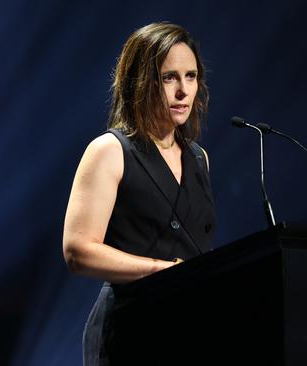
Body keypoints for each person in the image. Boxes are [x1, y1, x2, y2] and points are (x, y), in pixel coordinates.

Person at [62, 22, 216, 366]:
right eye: (169, 77)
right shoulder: (110, 150)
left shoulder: (198, 158)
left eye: (190, 76)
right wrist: (159, 270)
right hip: (129, 331)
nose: (183, 91)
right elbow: (77, 251)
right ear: (141, 81)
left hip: (189, 329)